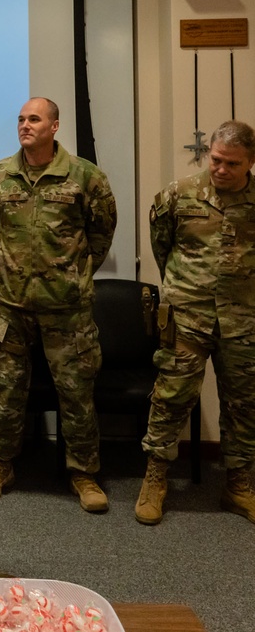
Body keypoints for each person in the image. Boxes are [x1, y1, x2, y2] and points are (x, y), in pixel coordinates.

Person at [0, 97, 117, 513]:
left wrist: (67, 273)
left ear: (54, 126)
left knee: (76, 391)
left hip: (67, 307)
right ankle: (0, 465)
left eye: (34, 119)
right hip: (10, 305)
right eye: (20, 119)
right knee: (5, 389)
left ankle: (84, 473)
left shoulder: (86, 177)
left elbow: (101, 234)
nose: (25, 125)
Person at [136, 120, 255, 526]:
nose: (220, 169)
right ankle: (155, 479)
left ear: (250, 162)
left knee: (244, 404)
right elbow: (161, 246)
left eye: (232, 164)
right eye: (216, 160)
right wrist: (184, 287)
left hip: (243, 319)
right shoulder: (178, 195)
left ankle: (238, 484)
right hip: (187, 315)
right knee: (171, 397)